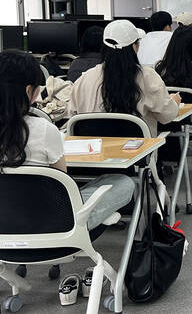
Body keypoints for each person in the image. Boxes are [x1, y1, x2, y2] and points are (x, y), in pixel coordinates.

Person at [0, 49, 135, 231]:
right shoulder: (43, 129)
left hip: (4, 224)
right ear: (28, 90)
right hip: (50, 225)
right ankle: (96, 216)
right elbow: (62, 187)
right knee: (123, 183)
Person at [67, 20, 180, 137]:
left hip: (94, 148)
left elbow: (72, 116)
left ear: (104, 47)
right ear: (135, 46)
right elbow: (167, 116)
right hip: (138, 148)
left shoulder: (84, 79)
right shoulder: (147, 77)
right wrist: (174, 102)